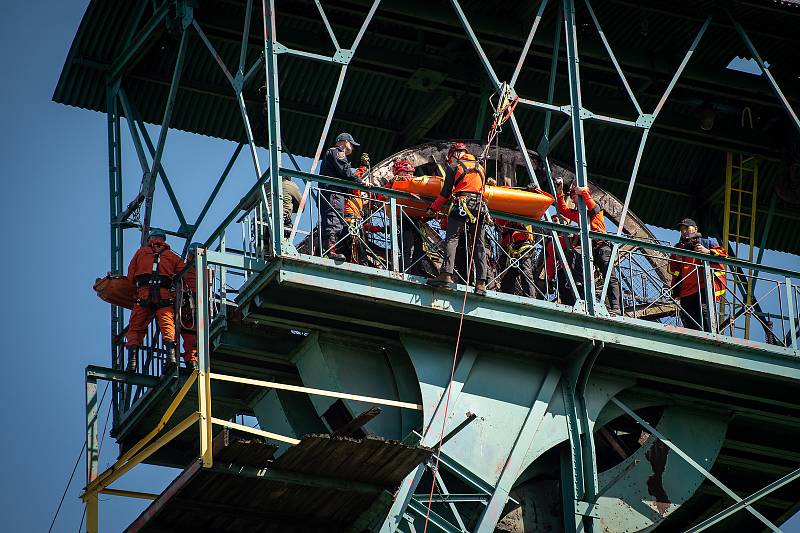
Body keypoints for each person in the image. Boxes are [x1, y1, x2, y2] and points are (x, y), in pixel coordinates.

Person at [426, 142, 488, 295]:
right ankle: (481, 283)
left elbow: (445, 194)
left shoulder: (453, 166)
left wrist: (432, 208)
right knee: (478, 243)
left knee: (452, 239)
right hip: (479, 206)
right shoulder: (480, 167)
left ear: (454, 153)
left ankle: (446, 274)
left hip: (462, 203)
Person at [555, 179, 621, 312]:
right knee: (572, 254)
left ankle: (616, 306)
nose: (573, 201)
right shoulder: (579, 215)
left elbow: (594, 208)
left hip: (602, 247)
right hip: (589, 247)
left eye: (574, 198)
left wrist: (583, 192)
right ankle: (578, 283)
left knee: (609, 276)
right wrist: (560, 192)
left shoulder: (594, 208)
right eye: (572, 198)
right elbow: (563, 209)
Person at [125, 228, 184, 373]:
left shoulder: (140, 253)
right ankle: (171, 357)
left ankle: (132, 362)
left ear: (150, 239)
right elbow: (183, 277)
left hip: (143, 295)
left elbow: (130, 276)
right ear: (164, 240)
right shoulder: (172, 256)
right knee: (167, 324)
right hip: (164, 296)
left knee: (135, 328)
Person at [668, 218, 727, 331]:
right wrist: (677, 257)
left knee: (706, 321)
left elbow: (724, 255)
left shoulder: (706, 243)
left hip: (703, 290)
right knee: (689, 323)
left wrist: (708, 252)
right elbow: (671, 269)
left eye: (686, 228)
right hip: (685, 293)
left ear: (695, 229)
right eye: (682, 230)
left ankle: (709, 343)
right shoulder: (678, 247)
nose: (684, 231)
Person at [319, 133, 370, 261]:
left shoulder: (331, 153)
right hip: (334, 193)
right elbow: (345, 172)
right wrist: (361, 181)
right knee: (334, 220)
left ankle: (329, 250)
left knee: (334, 221)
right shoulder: (337, 152)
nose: (352, 148)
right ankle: (330, 251)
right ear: (345, 142)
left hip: (332, 193)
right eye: (351, 144)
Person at [495, 216, 535, 298]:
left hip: (523, 244)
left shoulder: (525, 212)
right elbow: (499, 222)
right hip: (509, 247)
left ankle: (530, 297)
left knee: (525, 270)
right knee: (508, 273)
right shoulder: (506, 217)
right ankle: (507, 296)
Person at [177, 242, 202, 371]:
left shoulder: (183, 268)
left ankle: (192, 362)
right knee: (195, 335)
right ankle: (195, 362)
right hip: (200, 305)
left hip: (189, 306)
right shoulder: (207, 268)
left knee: (190, 335)